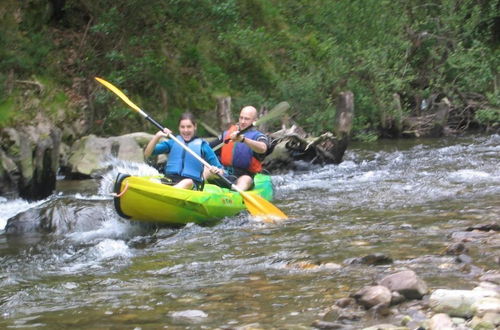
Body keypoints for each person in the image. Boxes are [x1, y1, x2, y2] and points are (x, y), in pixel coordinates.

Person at [144, 112, 224, 190]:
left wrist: (215, 171)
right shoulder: (173, 142)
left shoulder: (203, 146)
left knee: (187, 182)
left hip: (192, 184)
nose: (186, 130)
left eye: (189, 127)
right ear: (179, 128)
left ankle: (166, 192)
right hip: (170, 180)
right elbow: (147, 154)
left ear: (195, 127)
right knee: (152, 181)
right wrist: (157, 136)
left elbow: (221, 171)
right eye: (182, 127)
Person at [209, 105, 269, 191]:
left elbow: (263, 148)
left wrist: (244, 140)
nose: (243, 121)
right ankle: (194, 189)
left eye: (247, 119)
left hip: (243, 177)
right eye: (241, 118)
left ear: (255, 120)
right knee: (208, 169)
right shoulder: (227, 134)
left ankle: (235, 196)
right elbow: (207, 148)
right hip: (223, 174)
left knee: (246, 179)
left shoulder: (258, 136)